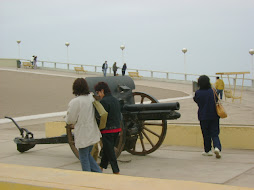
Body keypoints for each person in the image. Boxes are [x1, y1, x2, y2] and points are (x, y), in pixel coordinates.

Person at [65, 78, 102, 172]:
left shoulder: (75, 102)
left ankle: (87, 179)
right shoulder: (90, 98)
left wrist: (66, 119)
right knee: (87, 156)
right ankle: (99, 174)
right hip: (92, 132)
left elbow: (70, 119)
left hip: (83, 135)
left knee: (84, 159)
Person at [94, 82, 122, 174]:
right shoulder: (115, 100)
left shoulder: (103, 102)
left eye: (98, 93)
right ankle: (101, 167)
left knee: (110, 152)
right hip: (117, 129)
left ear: (102, 91)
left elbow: (101, 116)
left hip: (107, 130)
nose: (98, 95)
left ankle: (116, 171)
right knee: (107, 149)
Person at [193, 75, 222, 159]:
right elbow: (216, 100)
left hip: (203, 116)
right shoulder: (213, 91)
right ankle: (217, 147)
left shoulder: (198, 92)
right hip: (214, 115)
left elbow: (196, 100)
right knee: (215, 133)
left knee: (206, 134)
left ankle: (207, 150)